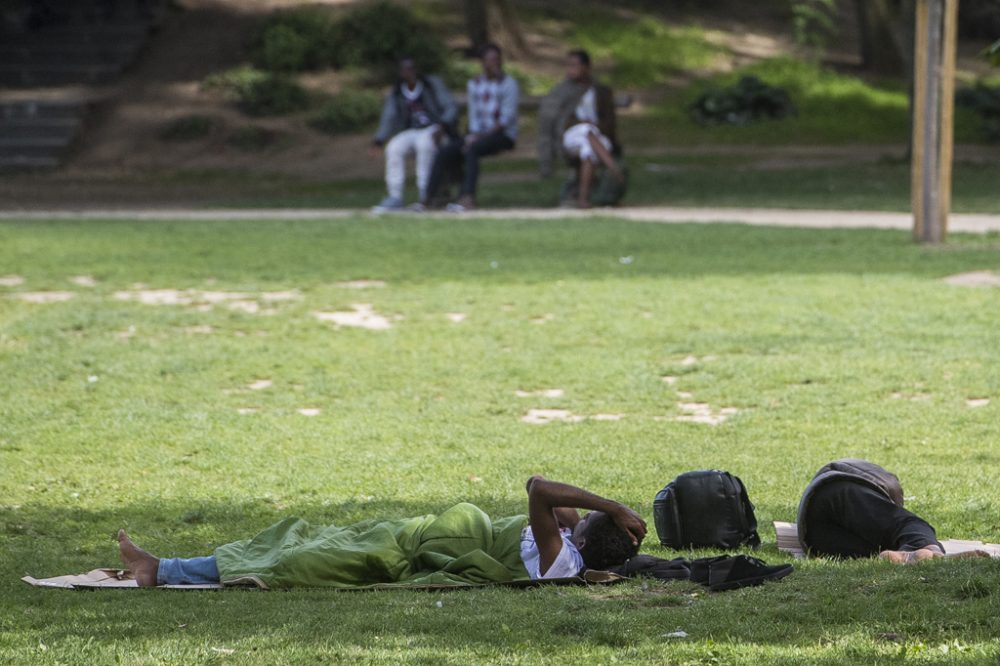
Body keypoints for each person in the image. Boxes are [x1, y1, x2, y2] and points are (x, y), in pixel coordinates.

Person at [116, 475, 645, 587]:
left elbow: (540, 491)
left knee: (299, 560)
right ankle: (163, 566)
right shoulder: (566, 535)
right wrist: (602, 517)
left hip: (415, 552)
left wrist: (614, 505)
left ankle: (160, 569)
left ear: (582, 538)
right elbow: (542, 485)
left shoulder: (561, 560)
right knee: (302, 538)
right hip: (409, 532)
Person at [424, 43, 519, 212]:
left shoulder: (508, 84)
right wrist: (473, 135)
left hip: (502, 135)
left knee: (471, 150)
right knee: (445, 152)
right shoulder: (475, 84)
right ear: (482, 62)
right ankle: (430, 197)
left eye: (497, 59)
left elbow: (506, 119)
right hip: (478, 134)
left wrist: (479, 137)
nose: (494, 63)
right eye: (490, 60)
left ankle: (467, 197)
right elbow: (474, 115)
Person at [797, 459, 945, 564]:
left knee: (883, 548)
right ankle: (925, 547)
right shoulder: (851, 487)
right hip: (835, 497)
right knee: (905, 526)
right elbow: (902, 521)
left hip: (816, 537)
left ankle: (916, 552)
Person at [537, 49, 624, 208]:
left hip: (599, 136)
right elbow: (554, 122)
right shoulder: (561, 92)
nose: (571, 69)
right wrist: (581, 122)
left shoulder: (601, 91)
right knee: (585, 130)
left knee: (588, 148)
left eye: (575, 65)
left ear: (586, 67)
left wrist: (595, 125)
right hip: (571, 136)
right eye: (568, 65)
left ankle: (583, 198)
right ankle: (613, 167)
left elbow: (610, 122)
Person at [370, 57, 458, 212]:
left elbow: (450, 106)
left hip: (434, 127)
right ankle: (395, 196)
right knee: (394, 148)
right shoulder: (397, 92)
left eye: (411, 68)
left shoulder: (431, 85)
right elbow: (389, 117)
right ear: (400, 73)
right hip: (411, 131)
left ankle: (426, 194)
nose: (409, 72)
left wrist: (443, 125)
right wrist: (379, 139)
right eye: (405, 69)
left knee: (424, 144)